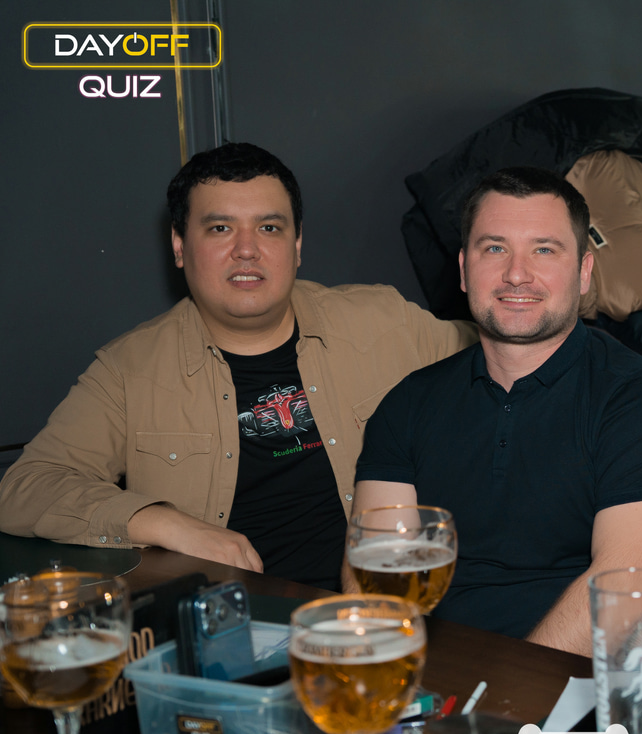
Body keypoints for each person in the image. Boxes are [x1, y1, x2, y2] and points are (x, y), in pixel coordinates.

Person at [0, 143, 477, 591]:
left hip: (386, 606)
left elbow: (500, 356)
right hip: (238, 626)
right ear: (179, 245)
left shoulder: (383, 321)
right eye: (220, 228)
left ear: (297, 244)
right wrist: (167, 523)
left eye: (269, 228)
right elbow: (24, 488)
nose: (246, 249)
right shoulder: (129, 370)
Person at [350, 167, 642, 652]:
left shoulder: (641, 401)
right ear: (463, 269)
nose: (517, 273)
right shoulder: (409, 402)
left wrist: (505, 689)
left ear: (584, 272)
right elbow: (374, 577)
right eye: (495, 248)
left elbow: (622, 591)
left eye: (544, 250)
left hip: (566, 676)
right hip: (426, 670)